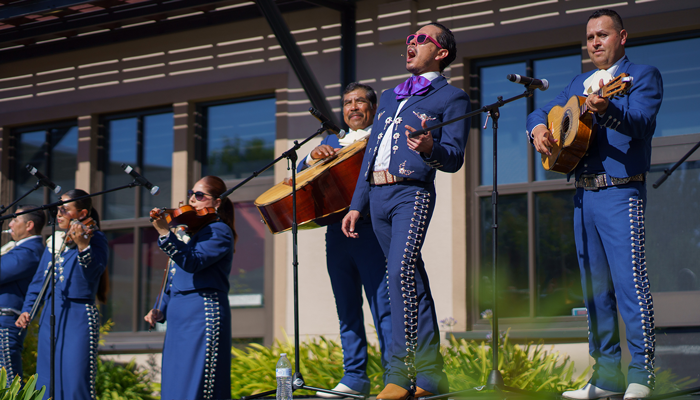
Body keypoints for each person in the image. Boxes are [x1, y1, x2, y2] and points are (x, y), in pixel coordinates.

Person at [526, 9, 663, 400]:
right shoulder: (576, 82)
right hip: (583, 195)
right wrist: (538, 128)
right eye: (589, 37)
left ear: (622, 37)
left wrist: (609, 110)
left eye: (602, 35)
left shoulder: (641, 76)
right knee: (594, 289)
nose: (595, 42)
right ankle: (605, 378)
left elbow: (643, 123)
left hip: (621, 192)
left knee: (629, 283)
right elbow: (540, 111)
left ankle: (642, 374)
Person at [341, 22, 470, 400]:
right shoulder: (389, 96)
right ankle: (431, 377)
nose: (410, 44)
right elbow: (371, 154)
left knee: (399, 272)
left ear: (442, 53)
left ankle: (401, 373)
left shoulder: (451, 97)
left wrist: (431, 148)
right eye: (409, 40)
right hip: (376, 198)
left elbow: (454, 158)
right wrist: (356, 204)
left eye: (421, 40)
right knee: (409, 276)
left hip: (410, 193)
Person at [299, 82, 392, 397]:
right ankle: (354, 379)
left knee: (384, 306)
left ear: (373, 107)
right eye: (348, 102)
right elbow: (300, 173)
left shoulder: (383, 134)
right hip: (336, 233)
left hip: (370, 230)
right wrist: (311, 157)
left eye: (360, 101)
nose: (353, 107)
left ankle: (395, 377)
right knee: (346, 306)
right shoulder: (331, 140)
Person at [144, 176, 236, 400]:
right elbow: (174, 277)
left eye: (199, 195)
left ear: (217, 202)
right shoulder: (190, 233)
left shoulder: (219, 231)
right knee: (175, 387)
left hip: (201, 313)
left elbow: (193, 263)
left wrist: (166, 234)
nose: (192, 200)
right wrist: (160, 307)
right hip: (179, 317)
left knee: (196, 386)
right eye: (191, 194)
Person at [17, 190, 109, 400]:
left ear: (82, 213)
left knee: (75, 382)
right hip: (52, 315)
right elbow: (39, 281)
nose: (58, 214)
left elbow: (94, 272)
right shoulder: (55, 241)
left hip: (78, 317)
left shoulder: (95, 238)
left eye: (64, 210)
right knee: (46, 382)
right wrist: (27, 310)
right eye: (58, 209)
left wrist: (83, 246)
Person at [0, 206, 45, 384]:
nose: (10, 224)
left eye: (15, 220)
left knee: (7, 381)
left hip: (5, 322)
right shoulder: (21, 249)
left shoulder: (30, 251)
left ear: (29, 225)